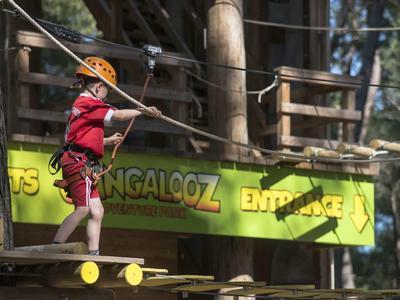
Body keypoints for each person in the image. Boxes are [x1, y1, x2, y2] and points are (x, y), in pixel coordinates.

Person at [51, 56, 161, 255]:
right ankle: (55, 246)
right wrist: (143, 111)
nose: (107, 96)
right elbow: (118, 115)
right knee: (83, 209)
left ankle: (94, 252)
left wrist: (107, 141)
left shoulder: (82, 105)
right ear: (99, 86)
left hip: (78, 158)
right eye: (107, 91)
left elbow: (80, 138)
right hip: (78, 161)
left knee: (97, 211)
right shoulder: (90, 104)